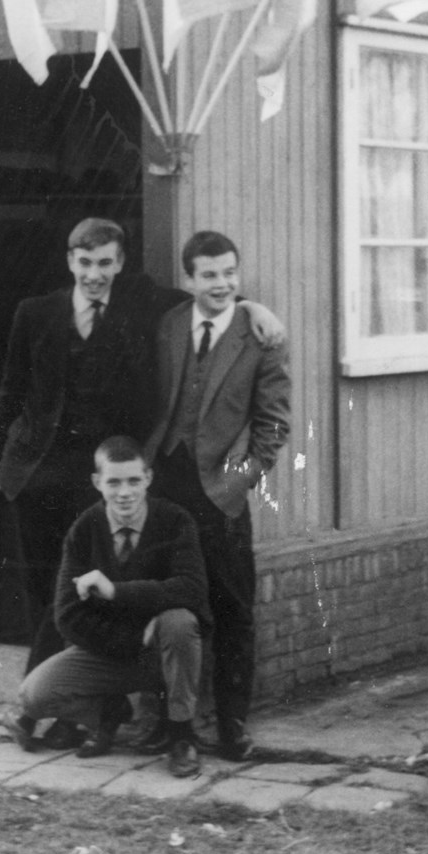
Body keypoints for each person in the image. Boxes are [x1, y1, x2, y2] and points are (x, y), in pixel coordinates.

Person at [0, 217, 284, 719]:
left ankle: (62, 712)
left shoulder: (143, 306)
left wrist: (253, 306)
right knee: (50, 596)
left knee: (110, 593)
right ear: (69, 261)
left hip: (114, 483)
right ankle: (77, 711)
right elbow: (9, 391)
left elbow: (212, 300)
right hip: (40, 477)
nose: (94, 274)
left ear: (121, 264)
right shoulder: (36, 313)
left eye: (105, 262)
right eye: (85, 262)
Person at [144, 230, 291, 763]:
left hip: (222, 495)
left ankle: (231, 724)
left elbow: (274, 425)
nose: (222, 284)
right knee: (168, 604)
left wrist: (239, 480)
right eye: (209, 274)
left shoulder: (261, 338)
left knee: (233, 610)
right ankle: (169, 724)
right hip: (166, 485)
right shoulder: (170, 325)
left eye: (230, 273)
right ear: (190, 279)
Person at [9, 435, 209, 779]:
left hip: (163, 655)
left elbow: (192, 589)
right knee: (33, 696)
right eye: (113, 482)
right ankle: (107, 712)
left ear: (148, 478)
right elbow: (67, 615)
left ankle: (181, 735)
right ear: (97, 482)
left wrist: (115, 590)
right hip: (111, 653)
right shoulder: (84, 530)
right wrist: (132, 640)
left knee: (179, 621)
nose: (125, 492)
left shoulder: (175, 521)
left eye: (133, 480)